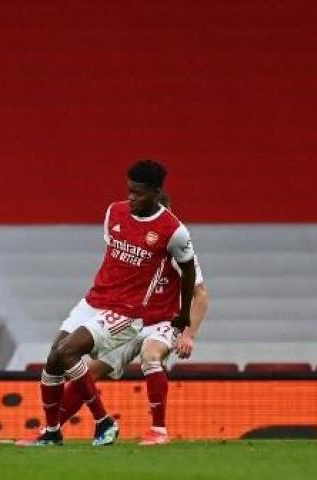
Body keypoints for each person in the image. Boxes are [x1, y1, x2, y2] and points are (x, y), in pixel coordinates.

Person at [25, 160, 196, 447]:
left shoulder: (173, 230)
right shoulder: (114, 212)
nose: (131, 198)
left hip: (126, 311)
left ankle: (104, 421)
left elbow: (190, 271)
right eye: (129, 191)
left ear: (156, 193)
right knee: (55, 357)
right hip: (94, 300)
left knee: (69, 353)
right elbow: (114, 259)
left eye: (139, 193)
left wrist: (185, 316)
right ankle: (52, 432)